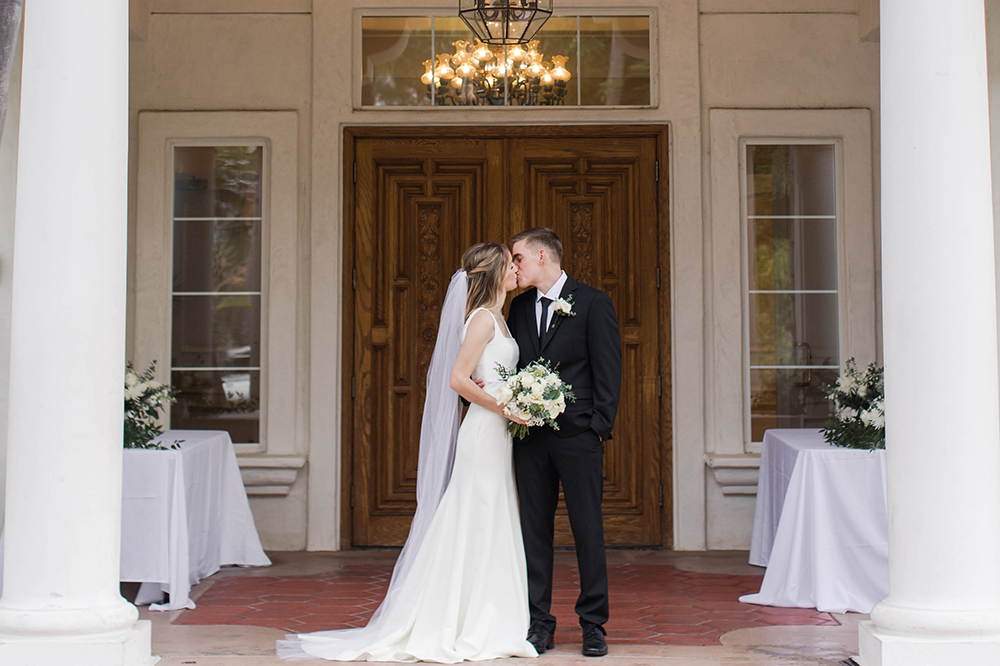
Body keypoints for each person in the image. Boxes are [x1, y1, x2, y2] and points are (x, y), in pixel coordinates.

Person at [278, 243, 536, 663]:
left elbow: (485, 376)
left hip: (498, 433)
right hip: (484, 432)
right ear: (494, 273)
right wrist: (505, 407)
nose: (516, 271)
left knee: (490, 517)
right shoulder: (482, 319)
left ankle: (486, 615)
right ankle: (461, 620)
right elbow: (457, 378)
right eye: (510, 265)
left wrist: (515, 399)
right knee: (476, 516)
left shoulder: (499, 317)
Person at [507, 228, 622, 658]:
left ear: (542, 255)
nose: (514, 266)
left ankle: (593, 625)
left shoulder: (592, 302)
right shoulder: (519, 308)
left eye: (518, 257)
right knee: (533, 532)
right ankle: (539, 623)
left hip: (578, 437)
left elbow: (608, 368)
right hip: (530, 440)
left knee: (587, 530)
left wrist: (597, 427)